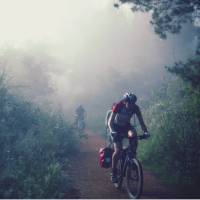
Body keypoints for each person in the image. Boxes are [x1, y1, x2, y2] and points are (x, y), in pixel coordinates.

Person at [108, 92, 150, 183]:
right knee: (118, 150)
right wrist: (112, 131)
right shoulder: (119, 105)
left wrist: (145, 131)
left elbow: (141, 122)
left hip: (126, 127)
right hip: (116, 127)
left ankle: (132, 162)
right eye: (129, 103)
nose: (131, 105)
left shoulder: (135, 108)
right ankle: (114, 172)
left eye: (133, 103)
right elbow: (110, 122)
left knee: (134, 140)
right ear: (125, 101)